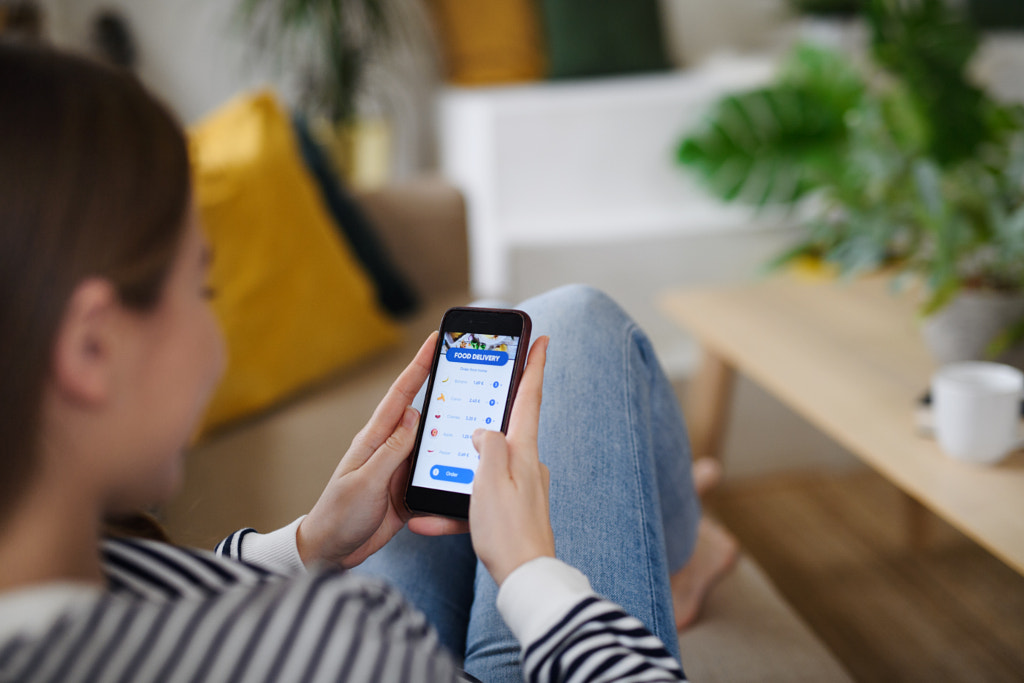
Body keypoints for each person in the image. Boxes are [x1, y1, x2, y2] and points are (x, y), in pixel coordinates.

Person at [0, 42, 736, 682]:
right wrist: (534, 573)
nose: (215, 334)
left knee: (530, 365)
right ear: (91, 347)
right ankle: (680, 550)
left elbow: (155, 582)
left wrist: (309, 541)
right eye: (202, 288)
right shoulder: (326, 635)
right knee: (576, 324)